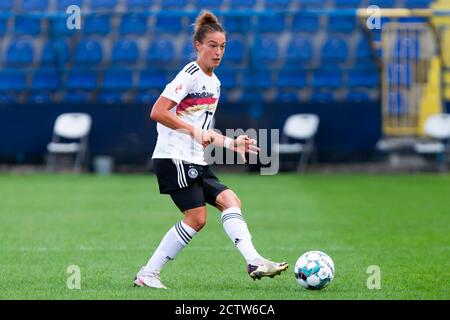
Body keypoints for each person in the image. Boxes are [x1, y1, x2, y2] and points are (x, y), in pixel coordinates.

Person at [134, 10, 288, 289]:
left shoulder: (214, 84)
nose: (218, 52)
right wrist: (193, 132)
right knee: (196, 218)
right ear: (198, 46)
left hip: (193, 158)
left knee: (232, 201)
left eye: (223, 47)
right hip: (174, 157)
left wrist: (231, 143)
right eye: (212, 46)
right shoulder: (190, 74)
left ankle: (254, 260)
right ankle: (148, 274)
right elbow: (157, 111)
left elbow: (202, 129)